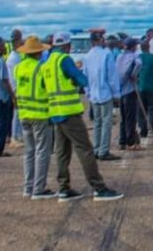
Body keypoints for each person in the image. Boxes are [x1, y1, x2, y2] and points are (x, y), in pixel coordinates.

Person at [42, 32, 124, 201]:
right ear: (67, 46)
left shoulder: (47, 62)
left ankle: (64, 187)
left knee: (62, 151)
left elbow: (44, 85)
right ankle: (98, 187)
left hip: (55, 112)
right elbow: (81, 79)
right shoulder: (64, 60)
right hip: (69, 112)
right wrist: (77, 81)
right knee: (85, 149)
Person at [15, 36, 58, 199]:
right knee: (42, 152)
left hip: (24, 113)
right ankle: (39, 188)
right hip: (40, 114)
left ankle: (28, 187)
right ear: (39, 52)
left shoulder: (19, 68)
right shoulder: (41, 68)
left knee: (29, 152)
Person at [83, 32, 121, 161]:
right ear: (98, 41)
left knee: (98, 123)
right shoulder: (106, 54)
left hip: (93, 94)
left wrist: (88, 92)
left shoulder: (87, 56)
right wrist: (116, 94)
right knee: (106, 122)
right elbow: (112, 77)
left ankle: (97, 148)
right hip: (105, 93)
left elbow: (85, 76)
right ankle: (103, 150)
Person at [135, 39, 153, 138]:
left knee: (142, 110)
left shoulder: (138, 58)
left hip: (141, 87)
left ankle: (143, 131)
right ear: (149, 47)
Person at [116, 37, 141, 151]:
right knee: (131, 118)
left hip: (121, 91)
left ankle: (122, 140)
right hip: (130, 90)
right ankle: (130, 142)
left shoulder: (119, 57)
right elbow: (139, 64)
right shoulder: (134, 56)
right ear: (133, 46)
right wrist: (134, 74)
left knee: (123, 117)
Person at [6, 31, 25, 146]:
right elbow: (13, 77)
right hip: (16, 88)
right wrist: (15, 92)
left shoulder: (17, 56)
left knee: (19, 114)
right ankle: (15, 137)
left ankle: (18, 135)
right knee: (17, 114)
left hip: (18, 88)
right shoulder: (13, 58)